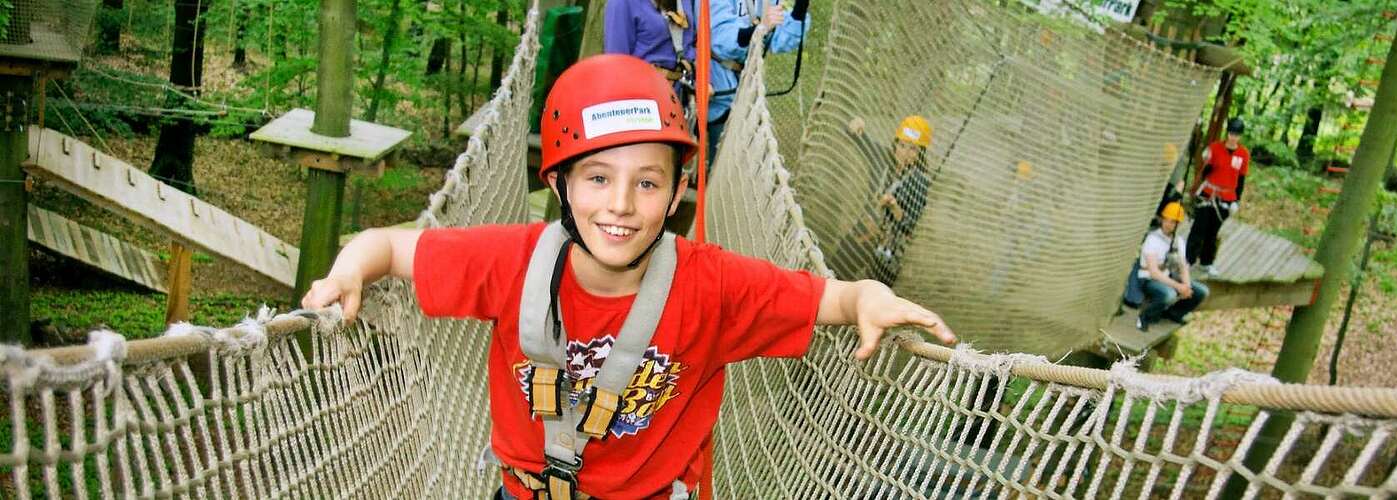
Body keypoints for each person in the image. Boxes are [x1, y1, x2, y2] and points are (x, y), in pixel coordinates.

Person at [299, 55, 956, 500]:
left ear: (676, 197)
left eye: (646, 183)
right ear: (557, 185)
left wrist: (870, 295)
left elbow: (829, 298)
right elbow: (387, 246)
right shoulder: (511, 260)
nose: (619, 205)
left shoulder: (715, 287)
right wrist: (350, 268)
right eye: (597, 178)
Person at [683, 0, 811, 168]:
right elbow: (721, 39)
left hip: (747, 88)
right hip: (716, 88)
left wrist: (799, 10)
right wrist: (761, 29)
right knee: (722, 163)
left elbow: (779, 41)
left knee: (743, 164)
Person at [833, 115, 933, 286]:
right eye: (902, 145)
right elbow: (855, 134)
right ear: (895, 143)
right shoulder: (882, 157)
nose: (905, 153)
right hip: (862, 234)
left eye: (913, 149)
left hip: (887, 251)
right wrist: (855, 124)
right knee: (832, 274)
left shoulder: (919, 182)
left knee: (874, 299)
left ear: (920, 153)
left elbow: (909, 225)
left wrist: (894, 207)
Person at [1188, 117, 1250, 278]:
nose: (1233, 137)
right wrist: (1207, 163)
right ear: (1227, 132)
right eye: (1231, 133)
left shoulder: (1243, 154)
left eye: (1236, 134)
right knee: (1198, 229)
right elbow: (1204, 172)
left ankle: (1206, 263)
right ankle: (1188, 260)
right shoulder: (1215, 148)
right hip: (1209, 193)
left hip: (1227, 196)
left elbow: (1241, 179)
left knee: (1213, 231)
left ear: (1240, 136)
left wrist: (1237, 200)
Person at [1134, 202, 1208, 331]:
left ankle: (1173, 314)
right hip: (1148, 278)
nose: (1168, 224)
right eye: (1166, 220)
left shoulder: (1178, 241)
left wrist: (1187, 286)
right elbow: (1154, 272)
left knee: (1201, 292)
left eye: (1173, 222)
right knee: (1169, 294)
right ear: (1162, 219)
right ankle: (1145, 317)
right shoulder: (1153, 239)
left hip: (1167, 276)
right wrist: (1178, 286)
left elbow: (1183, 265)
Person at [603, 0, 694, 83]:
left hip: (685, 88)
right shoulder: (622, 3)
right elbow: (617, 65)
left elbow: (692, 41)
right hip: (645, 90)